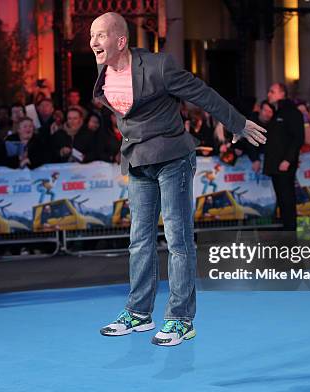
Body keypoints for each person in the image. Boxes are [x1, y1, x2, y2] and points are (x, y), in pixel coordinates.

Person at [90, 12, 266, 346]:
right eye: (91, 35)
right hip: (138, 161)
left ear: (120, 40)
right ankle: (139, 313)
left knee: (177, 239)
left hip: (173, 159)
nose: (93, 42)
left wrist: (238, 123)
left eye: (100, 35)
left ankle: (181, 319)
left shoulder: (158, 66)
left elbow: (203, 94)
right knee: (139, 239)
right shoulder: (102, 71)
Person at [263, 83, 305, 231]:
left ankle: (291, 236)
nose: (269, 94)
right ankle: (287, 235)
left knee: (287, 201)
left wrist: (288, 159)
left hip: (284, 165)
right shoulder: (276, 112)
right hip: (275, 165)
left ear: (282, 94)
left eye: (272, 91)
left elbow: (298, 138)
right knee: (282, 201)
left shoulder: (291, 112)